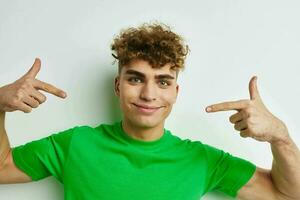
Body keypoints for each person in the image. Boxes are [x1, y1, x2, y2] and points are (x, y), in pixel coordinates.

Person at [0, 22, 299, 200]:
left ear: (175, 93)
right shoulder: (74, 145)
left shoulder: (203, 160)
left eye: (163, 81)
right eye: (135, 78)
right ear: (118, 86)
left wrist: (281, 137)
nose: (148, 94)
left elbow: (289, 194)